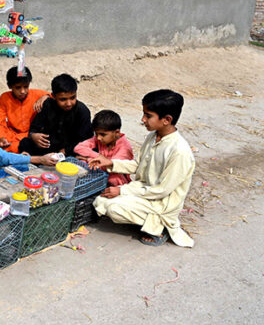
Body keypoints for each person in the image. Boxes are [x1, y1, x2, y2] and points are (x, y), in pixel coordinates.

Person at [90, 89, 195, 247]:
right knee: (100, 202)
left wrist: (122, 191)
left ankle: (160, 227)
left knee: (113, 208)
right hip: (143, 191)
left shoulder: (179, 151)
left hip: (161, 203)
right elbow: (138, 165)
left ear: (166, 119)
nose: (143, 119)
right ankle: (144, 220)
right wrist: (110, 163)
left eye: (148, 115)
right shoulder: (153, 136)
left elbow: (162, 191)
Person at [19, 73, 93, 156]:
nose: (68, 103)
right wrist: (34, 135)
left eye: (72, 98)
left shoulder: (82, 111)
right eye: (63, 99)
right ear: (54, 96)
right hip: (49, 146)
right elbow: (34, 127)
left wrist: (65, 151)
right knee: (25, 143)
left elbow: (85, 139)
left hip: (70, 149)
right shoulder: (48, 105)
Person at [0, 66, 50, 153]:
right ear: (10, 86)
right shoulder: (5, 98)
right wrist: (1, 138)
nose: (23, 91)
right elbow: (0, 122)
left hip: (31, 135)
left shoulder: (37, 94)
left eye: (26, 87)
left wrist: (45, 97)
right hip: (12, 135)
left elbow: (54, 96)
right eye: (18, 87)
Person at [74, 109, 134, 187]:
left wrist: (88, 159)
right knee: (80, 163)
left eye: (103, 134)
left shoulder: (124, 148)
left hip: (114, 174)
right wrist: (98, 156)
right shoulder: (102, 139)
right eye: (96, 134)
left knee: (114, 179)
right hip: (101, 167)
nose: (98, 138)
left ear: (116, 133)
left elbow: (111, 167)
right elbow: (79, 148)